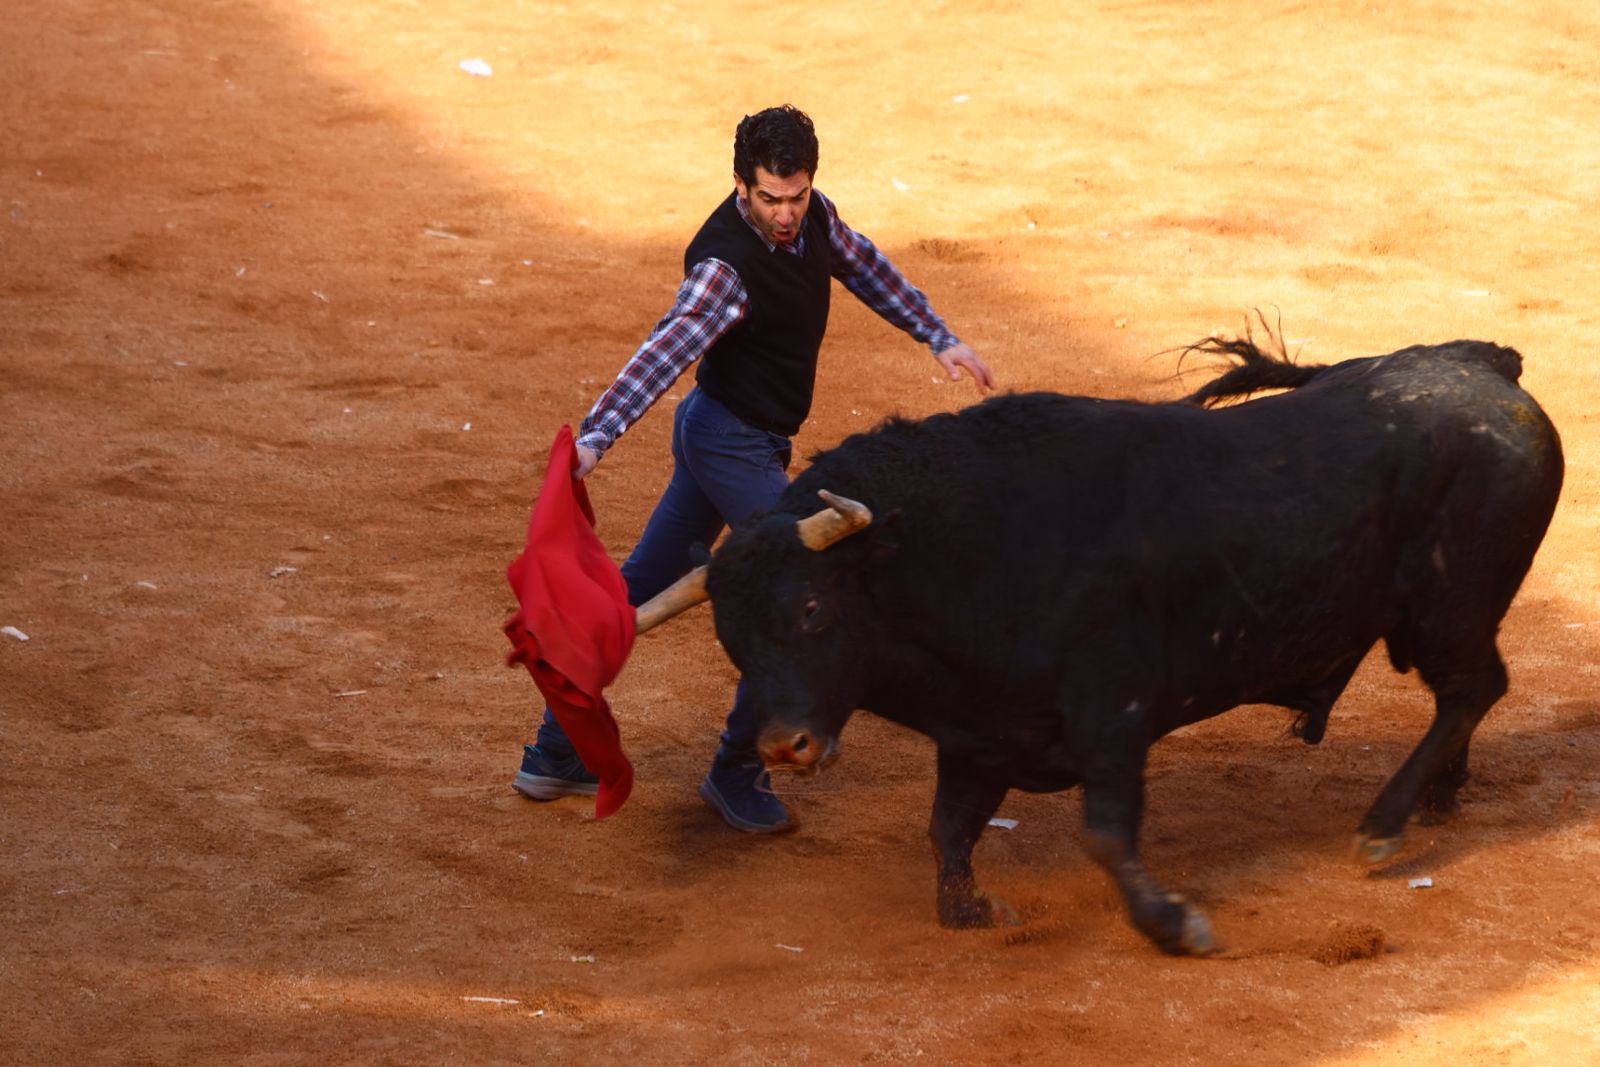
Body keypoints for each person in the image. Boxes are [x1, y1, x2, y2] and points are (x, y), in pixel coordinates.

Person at [514, 104, 994, 833]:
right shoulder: (722, 272)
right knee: (788, 591)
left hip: (737, 439)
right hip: (727, 442)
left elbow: (863, 264)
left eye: (797, 196)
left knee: (640, 584)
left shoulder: (815, 217)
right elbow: (664, 351)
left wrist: (938, 336)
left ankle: (555, 752)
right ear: (742, 186)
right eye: (770, 198)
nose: (785, 213)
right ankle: (736, 774)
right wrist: (599, 434)